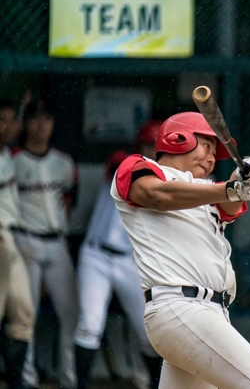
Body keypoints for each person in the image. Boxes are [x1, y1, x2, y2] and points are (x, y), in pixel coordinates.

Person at [111, 111, 250, 389]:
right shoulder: (139, 166)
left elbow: (227, 203)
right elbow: (159, 195)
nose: (211, 158)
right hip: (181, 307)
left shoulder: (205, 190)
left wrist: (244, 179)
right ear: (178, 139)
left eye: (215, 152)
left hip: (208, 315)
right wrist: (230, 189)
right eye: (207, 146)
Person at [74, 121, 164, 389]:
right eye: (147, 144)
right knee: (89, 325)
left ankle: (156, 384)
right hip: (96, 257)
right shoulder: (123, 164)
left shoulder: (167, 182)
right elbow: (117, 162)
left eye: (157, 147)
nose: (152, 150)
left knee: (150, 335)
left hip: (130, 263)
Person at [12, 99, 79, 389]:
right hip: (25, 240)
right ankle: (27, 380)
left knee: (72, 313)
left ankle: (70, 379)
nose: (41, 125)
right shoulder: (11, 161)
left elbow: (69, 198)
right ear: (26, 124)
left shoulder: (63, 163)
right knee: (25, 315)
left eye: (47, 119)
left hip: (57, 242)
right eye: (35, 119)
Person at [0, 100, 35, 389]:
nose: (11, 127)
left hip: (10, 236)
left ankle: (15, 383)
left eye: (13, 121)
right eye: (3, 120)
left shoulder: (6, 154)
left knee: (23, 313)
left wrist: (21, 110)